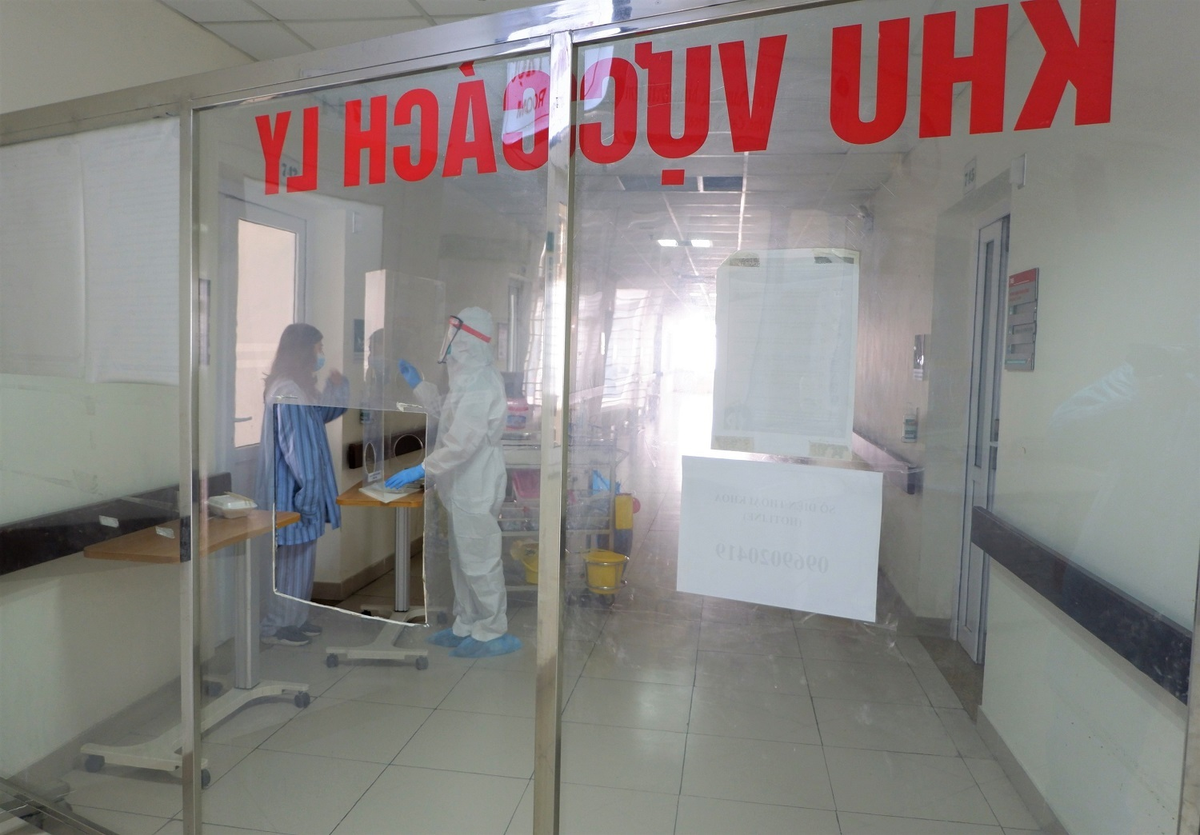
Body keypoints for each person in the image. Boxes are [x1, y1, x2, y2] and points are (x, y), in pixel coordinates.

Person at [387, 306, 520, 658]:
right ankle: (467, 623)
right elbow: (447, 413)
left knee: (480, 558)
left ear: (467, 339)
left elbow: (462, 442)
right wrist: (419, 386)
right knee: (462, 558)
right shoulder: (468, 378)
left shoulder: (481, 382)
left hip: (476, 481)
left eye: (454, 333)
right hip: (461, 483)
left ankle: (492, 630)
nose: (449, 341)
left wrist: (422, 469)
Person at [254, 323, 349, 647]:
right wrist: (309, 497)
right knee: (290, 564)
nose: (321, 354)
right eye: (318, 347)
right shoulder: (287, 391)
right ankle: (276, 627)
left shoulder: (298, 388)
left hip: (300, 491)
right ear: (303, 349)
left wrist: (338, 388)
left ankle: (295, 619)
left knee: (301, 561)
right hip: (292, 494)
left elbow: (320, 415)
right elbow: (299, 450)